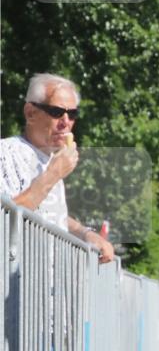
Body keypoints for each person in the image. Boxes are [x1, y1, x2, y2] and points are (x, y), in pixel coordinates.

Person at [0, 73, 115, 263]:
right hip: (12, 284)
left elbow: (48, 213)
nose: (66, 122)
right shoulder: (6, 153)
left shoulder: (51, 160)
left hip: (46, 286)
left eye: (73, 114)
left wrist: (86, 233)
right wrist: (52, 175)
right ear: (30, 113)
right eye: (56, 112)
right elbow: (6, 216)